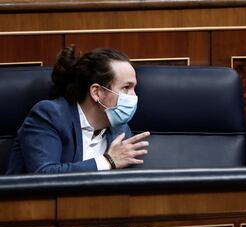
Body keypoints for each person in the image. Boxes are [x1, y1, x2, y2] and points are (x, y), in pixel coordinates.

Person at [6, 46, 150, 174]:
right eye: (126, 88)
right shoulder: (49, 115)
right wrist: (108, 161)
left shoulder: (120, 129)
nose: (134, 96)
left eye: (134, 88)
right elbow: (43, 174)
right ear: (97, 92)